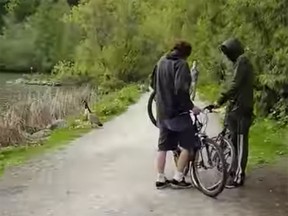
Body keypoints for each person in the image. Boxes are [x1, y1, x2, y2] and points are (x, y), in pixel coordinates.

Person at [151, 40, 201, 189]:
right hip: (176, 113)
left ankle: (160, 178)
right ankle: (178, 177)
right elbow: (181, 89)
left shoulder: (161, 61)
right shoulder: (181, 64)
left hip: (161, 112)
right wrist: (191, 107)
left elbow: (152, 84)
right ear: (186, 54)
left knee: (163, 147)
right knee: (188, 144)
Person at [214, 38, 254, 188]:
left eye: (228, 52)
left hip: (243, 109)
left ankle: (239, 176)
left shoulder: (242, 61)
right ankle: (234, 171)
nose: (227, 56)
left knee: (241, 143)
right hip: (238, 107)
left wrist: (221, 100)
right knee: (235, 142)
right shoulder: (240, 62)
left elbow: (235, 84)